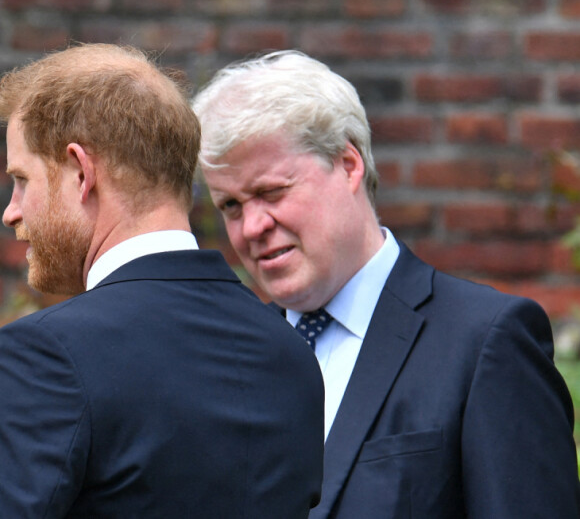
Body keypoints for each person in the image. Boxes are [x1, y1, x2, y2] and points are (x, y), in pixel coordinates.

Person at [192, 50, 580, 518]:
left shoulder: (484, 343)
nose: (251, 226)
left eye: (271, 192)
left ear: (349, 165)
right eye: (231, 206)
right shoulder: (231, 359)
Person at [0, 43, 324, 518]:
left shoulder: (44, 356)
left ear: (81, 172)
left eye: (22, 179)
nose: (11, 211)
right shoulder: (288, 352)